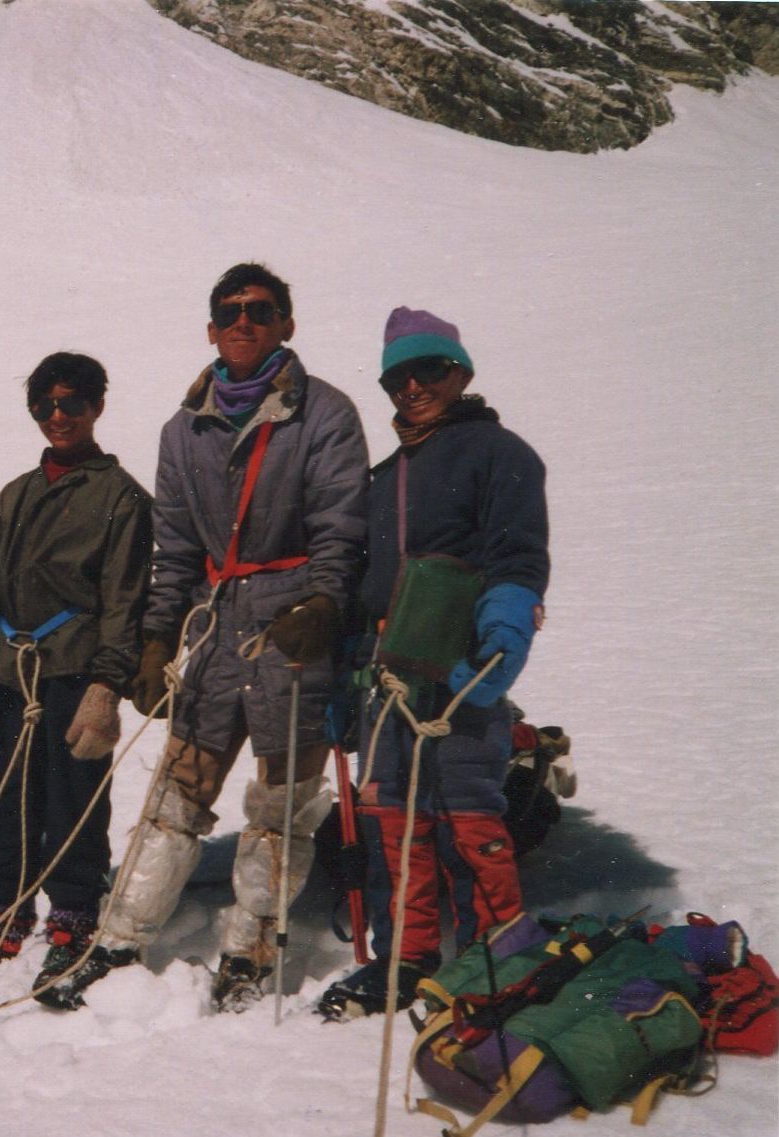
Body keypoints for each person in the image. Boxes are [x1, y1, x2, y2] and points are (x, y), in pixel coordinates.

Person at [46, 263, 370, 1011]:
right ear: (210, 329)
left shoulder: (323, 414)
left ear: (287, 322)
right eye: (229, 311)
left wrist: (323, 599)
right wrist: (158, 636)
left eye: (260, 310)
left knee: (280, 802)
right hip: (217, 630)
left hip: (292, 630)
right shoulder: (182, 427)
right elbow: (176, 546)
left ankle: (250, 951)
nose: (243, 321)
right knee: (176, 789)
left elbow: (340, 524)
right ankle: (121, 936)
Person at [317, 308, 548, 1021]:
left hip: (461, 665)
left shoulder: (498, 452)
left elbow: (516, 552)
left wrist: (503, 626)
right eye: (397, 377)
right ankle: (404, 955)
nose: (411, 386)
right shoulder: (383, 475)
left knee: (466, 809)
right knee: (392, 817)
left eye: (429, 371)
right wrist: (341, 672)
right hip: (384, 674)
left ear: (461, 372)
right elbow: (362, 583)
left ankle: (494, 962)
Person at [0, 352, 152, 994]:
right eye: (46, 406)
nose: (58, 417)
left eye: (72, 404)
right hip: (8, 670)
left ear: (96, 408)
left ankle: (74, 912)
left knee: (73, 797)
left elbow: (124, 599)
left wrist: (107, 685)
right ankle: (0, 908)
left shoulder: (121, 498)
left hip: (75, 671)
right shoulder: (16, 495)